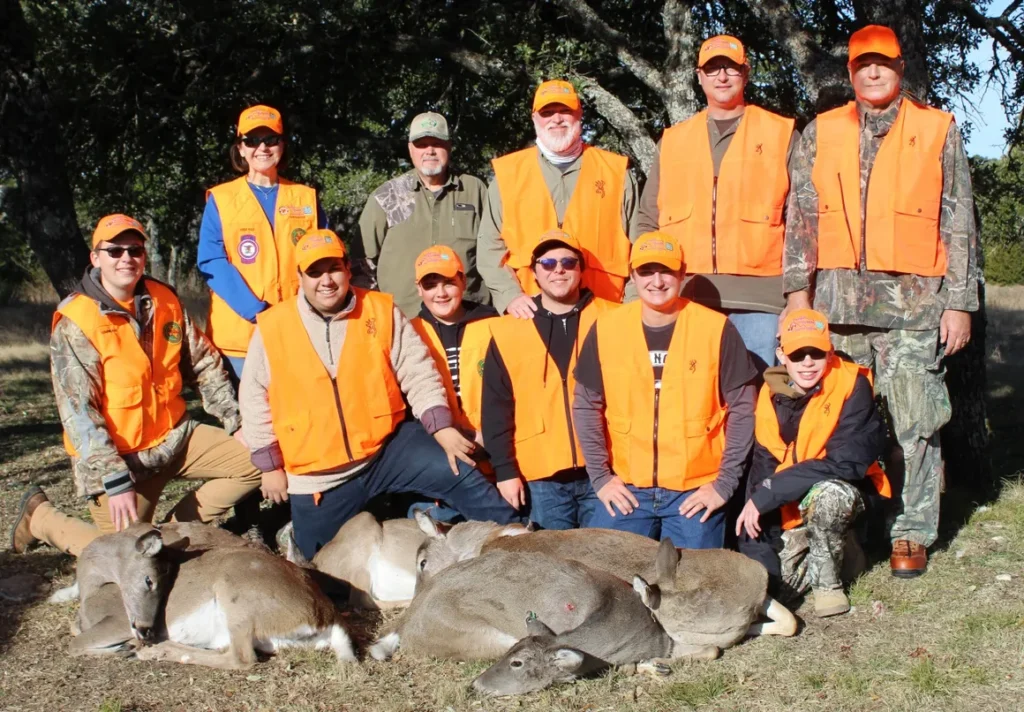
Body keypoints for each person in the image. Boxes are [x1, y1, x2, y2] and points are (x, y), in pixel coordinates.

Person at [782, 25, 980, 577]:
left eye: (884, 63)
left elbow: (959, 219)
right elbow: (799, 220)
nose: (873, 72)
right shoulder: (819, 132)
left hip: (916, 306)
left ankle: (911, 531)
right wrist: (799, 299)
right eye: (862, 64)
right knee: (845, 422)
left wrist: (959, 302)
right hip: (837, 310)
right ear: (850, 72)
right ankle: (855, 523)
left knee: (914, 419)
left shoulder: (937, 129)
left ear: (900, 68)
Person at [239, 230, 520, 560]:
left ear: (347, 268)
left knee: (458, 466)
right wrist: (269, 464)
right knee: (321, 568)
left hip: (387, 448)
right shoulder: (273, 326)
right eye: (315, 272)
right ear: (300, 277)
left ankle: (518, 538)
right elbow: (254, 397)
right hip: (318, 474)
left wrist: (441, 427)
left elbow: (416, 369)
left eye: (333, 268)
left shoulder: (380, 309)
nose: (326, 280)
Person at [10, 215, 261, 557]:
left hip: (175, 437)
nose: (126, 258)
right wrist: (115, 480)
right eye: (114, 251)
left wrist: (237, 422)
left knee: (259, 460)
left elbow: (204, 363)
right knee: (126, 557)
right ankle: (41, 518)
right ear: (95, 258)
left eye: (134, 250)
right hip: (120, 459)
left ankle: (172, 535)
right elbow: (79, 414)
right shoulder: (77, 322)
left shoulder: (165, 301)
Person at [573, 232, 757, 548]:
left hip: (694, 491)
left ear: (682, 273)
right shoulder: (606, 328)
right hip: (628, 489)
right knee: (606, 578)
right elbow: (586, 405)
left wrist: (724, 485)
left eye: (667, 271)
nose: (657, 281)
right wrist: (601, 479)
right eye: (646, 271)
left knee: (695, 585)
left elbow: (744, 408)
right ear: (632, 276)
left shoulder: (715, 329)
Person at [635, 35, 797, 372]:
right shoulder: (674, 140)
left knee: (753, 402)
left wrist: (798, 297)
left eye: (731, 68)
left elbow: (804, 224)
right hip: (687, 297)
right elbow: (647, 220)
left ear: (746, 73)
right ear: (699, 76)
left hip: (761, 304)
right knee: (692, 402)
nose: (721, 76)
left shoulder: (782, 134)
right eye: (712, 69)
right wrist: (651, 285)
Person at [736, 309, 891, 617]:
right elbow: (761, 474)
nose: (807, 362)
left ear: (829, 350)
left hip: (846, 493)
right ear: (782, 354)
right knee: (776, 588)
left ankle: (829, 586)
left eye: (816, 352)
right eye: (797, 354)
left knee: (829, 495)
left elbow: (845, 463)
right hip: (790, 506)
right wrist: (760, 548)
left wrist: (770, 491)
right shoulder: (768, 397)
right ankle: (839, 555)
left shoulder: (852, 386)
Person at [481, 230, 615, 529]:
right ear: (534, 274)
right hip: (542, 481)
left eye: (568, 262)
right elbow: (495, 409)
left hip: (607, 473)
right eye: (548, 263)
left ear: (581, 269)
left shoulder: (615, 319)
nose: (559, 269)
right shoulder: (508, 330)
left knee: (608, 568)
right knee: (555, 570)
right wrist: (504, 471)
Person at [477, 80, 639, 316]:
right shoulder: (507, 175)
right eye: (547, 113)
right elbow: (489, 250)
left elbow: (642, 248)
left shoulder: (616, 173)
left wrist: (632, 303)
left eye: (565, 111)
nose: (557, 119)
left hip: (607, 312)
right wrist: (509, 296)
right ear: (534, 119)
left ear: (579, 115)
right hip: (530, 315)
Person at [197, 104, 327, 383]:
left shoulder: (306, 199)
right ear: (240, 148)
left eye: (271, 139)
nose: (262, 148)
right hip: (241, 339)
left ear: (282, 145)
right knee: (250, 421)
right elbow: (211, 261)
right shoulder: (221, 199)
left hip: (299, 330)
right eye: (252, 140)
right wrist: (256, 311)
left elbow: (326, 257)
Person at [354, 112, 489, 317]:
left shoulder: (474, 189)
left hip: (468, 318)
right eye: (422, 144)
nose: (430, 151)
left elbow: (495, 250)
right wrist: (374, 313)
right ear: (410, 149)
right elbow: (360, 262)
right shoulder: (389, 195)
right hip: (405, 321)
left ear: (449, 146)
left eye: (437, 143)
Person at [409, 245, 498, 442]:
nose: (440, 293)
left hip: (495, 438)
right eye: (430, 285)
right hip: (439, 445)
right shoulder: (411, 334)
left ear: (463, 281)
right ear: (419, 289)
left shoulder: (494, 324)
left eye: (449, 283)